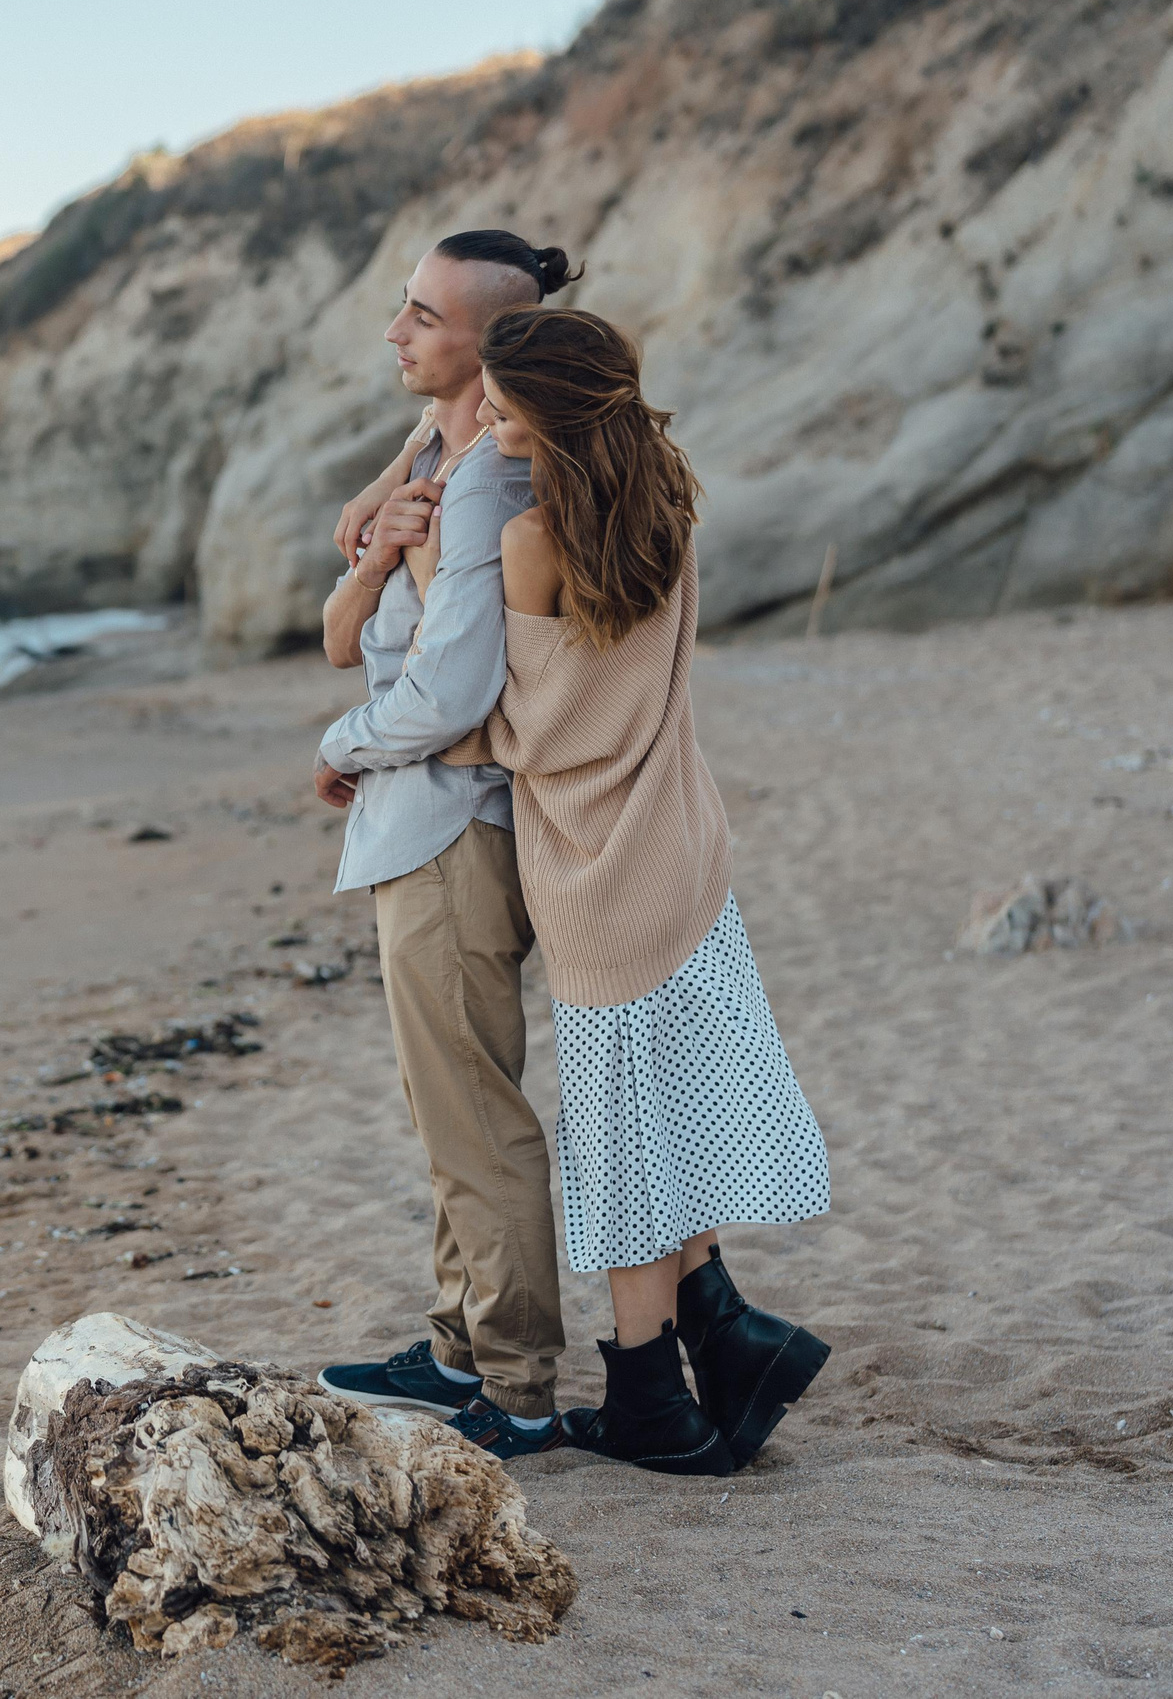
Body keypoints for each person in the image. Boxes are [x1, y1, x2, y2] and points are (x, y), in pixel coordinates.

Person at [457, 304, 832, 1474]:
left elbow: (539, 726)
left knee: (623, 1142)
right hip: (682, 842)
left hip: (594, 868)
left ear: (549, 407)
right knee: (670, 1116)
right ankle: (726, 1342)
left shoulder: (533, 537)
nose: (483, 415)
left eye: (500, 400)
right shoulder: (665, 494)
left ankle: (648, 1405)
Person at [308, 230, 581, 1459]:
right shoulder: (444, 445)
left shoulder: (485, 482)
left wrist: (344, 740)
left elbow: (454, 686)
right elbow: (410, 456)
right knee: (444, 1108)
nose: (396, 331)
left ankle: (518, 1383)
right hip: (418, 823)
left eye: (421, 316)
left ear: (489, 344)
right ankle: (460, 1346)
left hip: (447, 828)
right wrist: (377, 497)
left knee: (474, 1113)